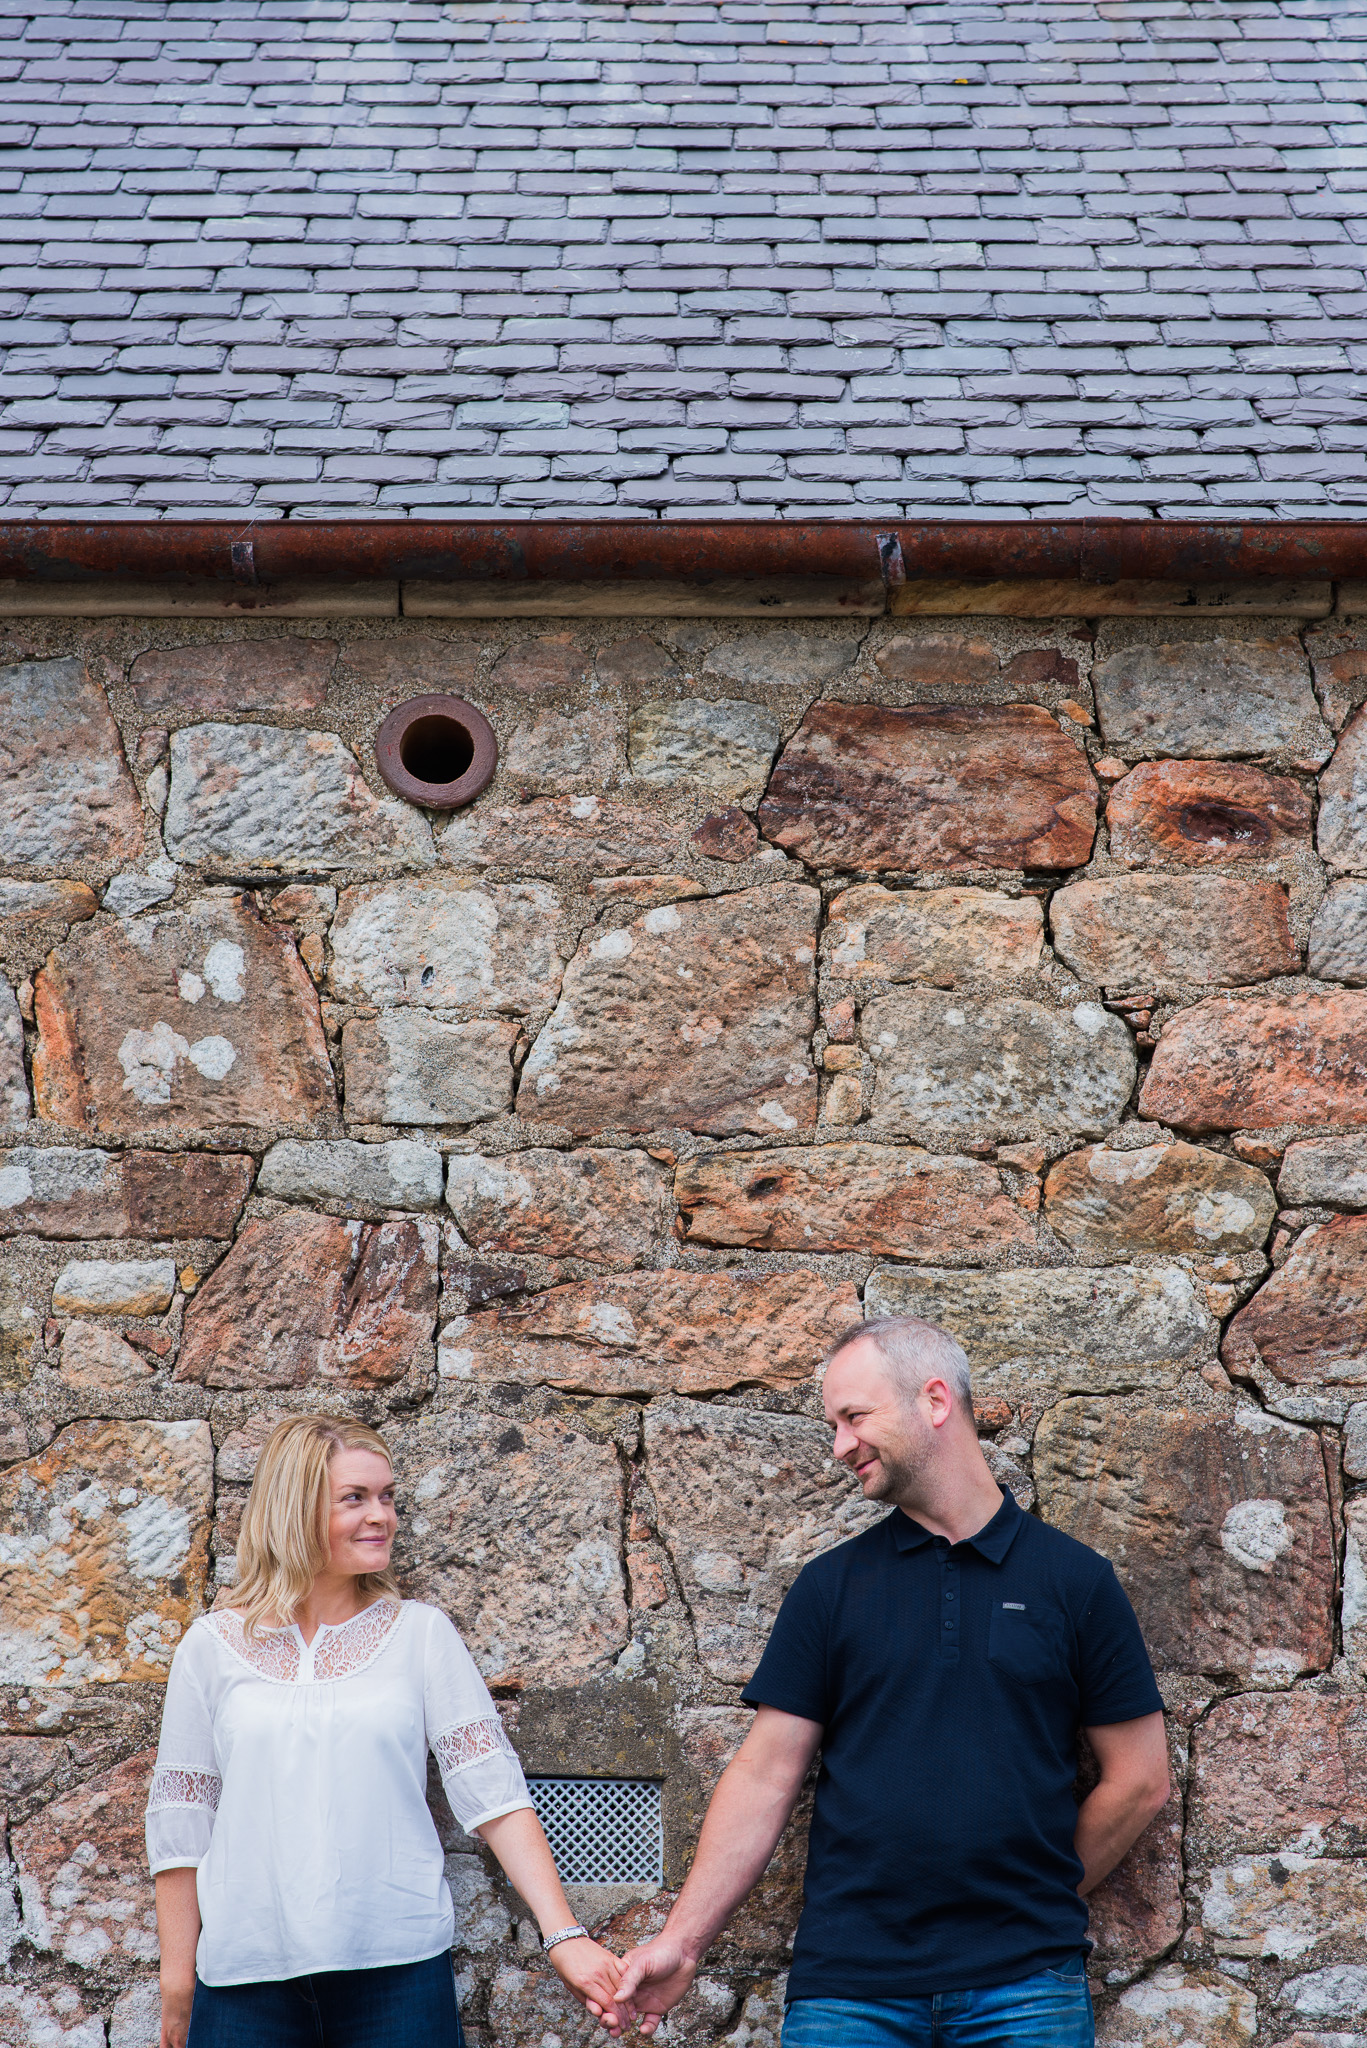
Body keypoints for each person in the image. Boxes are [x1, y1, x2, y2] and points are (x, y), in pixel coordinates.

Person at [604, 1316, 1171, 2048]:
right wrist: (681, 1942)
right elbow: (765, 1774)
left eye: (854, 1417)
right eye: (834, 1424)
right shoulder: (830, 1588)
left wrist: (1035, 1898)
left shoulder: (1073, 1581)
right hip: (850, 1991)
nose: (840, 1446)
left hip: (1025, 1988)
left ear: (934, 1401)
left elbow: (1139, 1778)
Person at [146, 1413, 622, 2048]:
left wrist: (562, 1933)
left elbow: (493, 1795)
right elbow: (183, 1822)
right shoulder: (210, 1647)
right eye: (355, 1498)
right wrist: (178, 1980)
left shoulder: (419, 1634)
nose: (382, 1516)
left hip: (396, 1974)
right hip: (244, 1981)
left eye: (387, 1497)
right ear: (293, 1510)